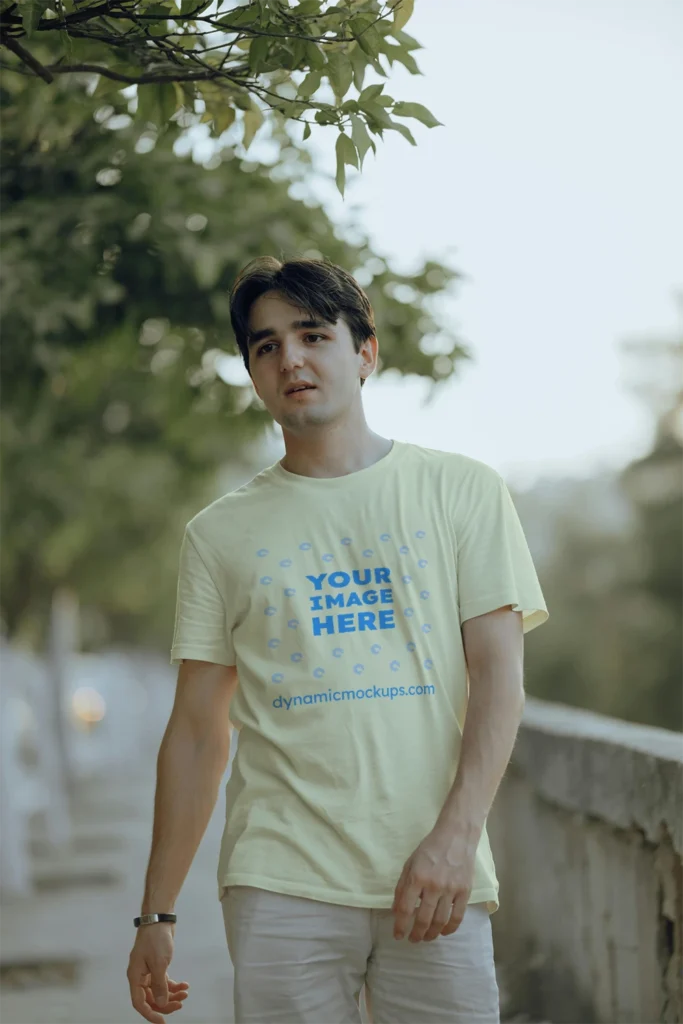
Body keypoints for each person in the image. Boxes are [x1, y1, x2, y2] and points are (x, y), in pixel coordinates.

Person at [127, 255, 548, 1024]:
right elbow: (194, 734)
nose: (289, 358)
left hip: (436, 874)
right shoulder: (218, 534)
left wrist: (456, 840)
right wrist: (155, 914)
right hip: (279, 882)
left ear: (364, 352)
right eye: (265, 345)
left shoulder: (461, 492)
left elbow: (498, 681)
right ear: (252, 372)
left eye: (312, 334)